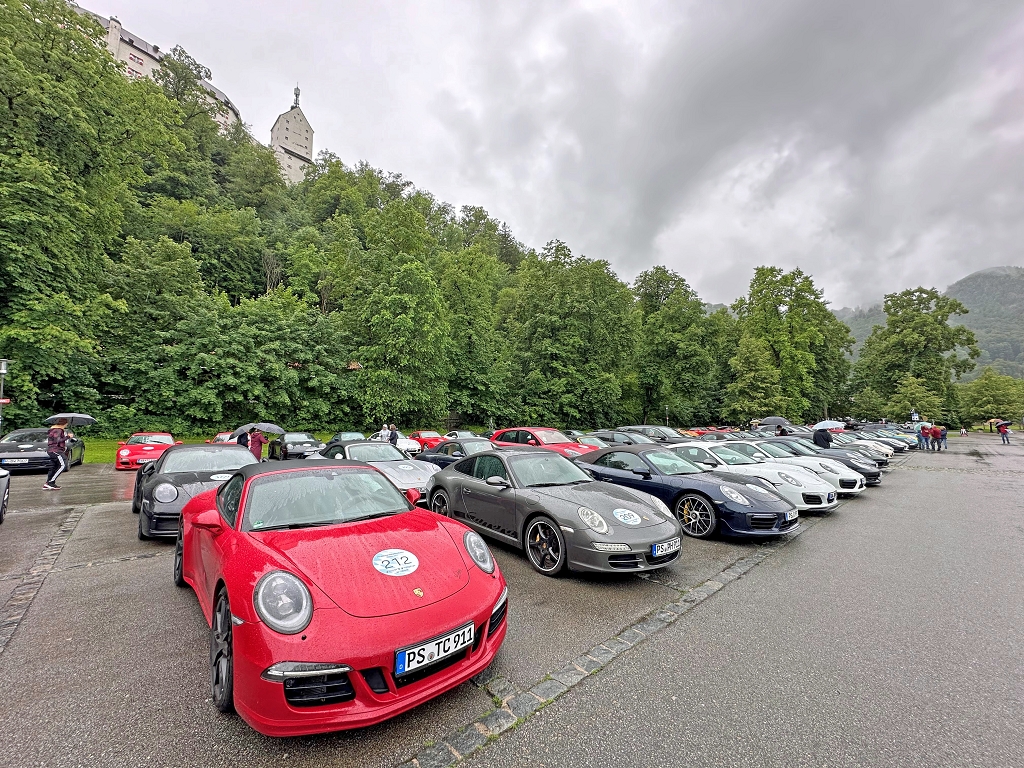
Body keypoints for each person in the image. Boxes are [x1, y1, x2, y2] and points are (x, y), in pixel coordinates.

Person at [43, 420, 70, 490]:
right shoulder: (58, 430)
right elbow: (57, 440)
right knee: (63, 465)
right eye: (66, 424)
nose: (66, 425)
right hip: (56, 451)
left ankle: (47, 484)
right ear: (64, 424)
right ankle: (51, 482)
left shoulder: (53, 429)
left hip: (51, 450)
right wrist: (68, 437)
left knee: (54, 467)